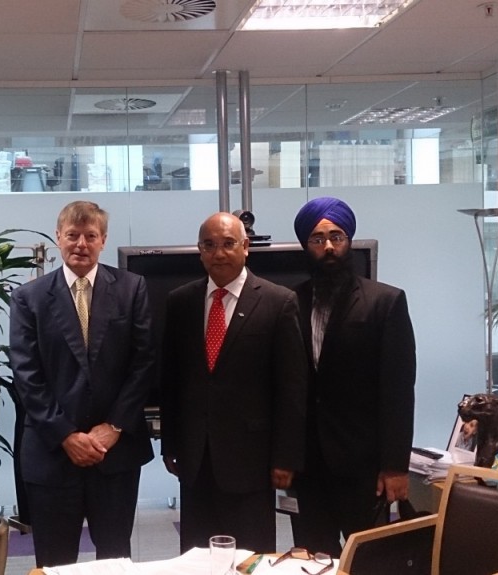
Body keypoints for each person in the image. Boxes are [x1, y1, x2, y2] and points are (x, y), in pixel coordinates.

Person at [9, 200, 156, 568]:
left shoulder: (131, 288)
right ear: (58, 237)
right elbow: (26, 374)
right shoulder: (29, 298)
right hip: (53, 454)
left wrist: (115, 426)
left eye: (90, 236)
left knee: (115, 561)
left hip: (115, 455)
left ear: (103, 240)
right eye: (72, 235)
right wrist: (66, 435)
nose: (81, 244)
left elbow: (144, 362)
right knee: (55, 563)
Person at [160, 212, 308, 554]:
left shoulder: (278, 301)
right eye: (209, 245)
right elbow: (171, 381)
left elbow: (292, 389)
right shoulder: (180, 301)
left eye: (228, 244)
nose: (219, 253)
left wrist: (286, 457)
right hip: (195, 460)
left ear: (246, 247)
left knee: (249, 558)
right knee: (196, 558)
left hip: (252, 461)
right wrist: (170, 444)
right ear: (200, 251)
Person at [289, 197, 417, 556]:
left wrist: (395, 466)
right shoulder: (291, 302)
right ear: (306, 246)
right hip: (308, 469)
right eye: (317, 239)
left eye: (336, 236)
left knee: (369, 560)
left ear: (349, 241)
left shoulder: (385, 302)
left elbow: (398, 391)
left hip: (365, 468)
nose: (328, 246)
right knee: (313, 559)